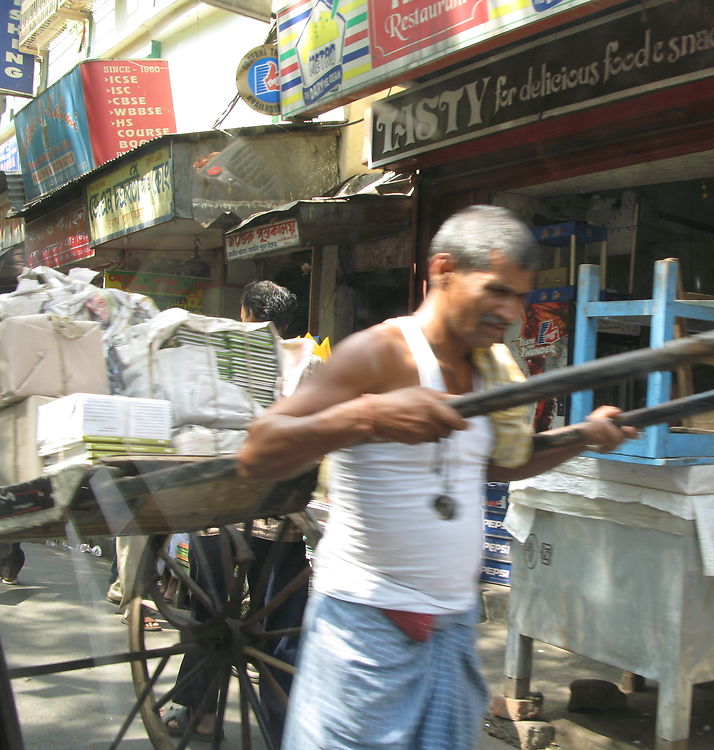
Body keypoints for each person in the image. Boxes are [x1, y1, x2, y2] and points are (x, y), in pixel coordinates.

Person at [237, 204, 636, 749]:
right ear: (444, 270)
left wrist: (584, 436)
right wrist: (369, 415)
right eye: (497, 290)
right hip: (366, 631)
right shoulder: (381, 353)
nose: (511, 313)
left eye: (519, 296)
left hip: (450, 631)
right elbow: (257, 452)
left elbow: (499, 464)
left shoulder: (487, 368)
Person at [162, 281, 315, 744]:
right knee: (281, 627)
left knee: (210, 615)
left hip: (220, 505)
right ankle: (282, 722)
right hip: (280, 513)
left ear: (248, 314)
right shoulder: (313, 361)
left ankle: (198, 710)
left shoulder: (226, 349)